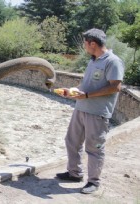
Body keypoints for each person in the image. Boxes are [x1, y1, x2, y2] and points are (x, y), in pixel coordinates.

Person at [55, 28, 125, 194]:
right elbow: (86, 85)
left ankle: (93, 182)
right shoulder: (93, 60)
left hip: (97, 113)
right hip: (81, 108)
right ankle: (74, 173)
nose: (84, 46)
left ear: (93, 43)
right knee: (71, 141)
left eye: (85, 43)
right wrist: (73, 90)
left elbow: (115, 87)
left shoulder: (113, 61)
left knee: (94, 148)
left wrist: (86, 95)